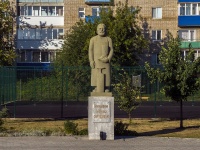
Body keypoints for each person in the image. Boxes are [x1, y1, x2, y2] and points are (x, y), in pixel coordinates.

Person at [89, 23, 114, 93]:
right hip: (96, 61)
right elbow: (90, 50)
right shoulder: (93, 39)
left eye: (103, 28)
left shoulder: (108, 39)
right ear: (97, 30)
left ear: (105, 30)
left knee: (106, 74)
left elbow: (111, 49)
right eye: (100, 28)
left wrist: (108, 58)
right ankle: (97, 87)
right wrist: (91, 60)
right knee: (96, 74)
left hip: (106, 61)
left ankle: (106, 87)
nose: (101, 30)